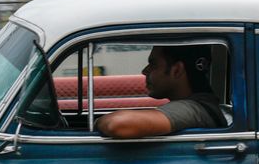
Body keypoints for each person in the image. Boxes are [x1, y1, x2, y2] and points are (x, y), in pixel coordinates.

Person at [96, 44, 227, 139]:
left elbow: (118, 124)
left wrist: (96, 122)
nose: (144, 71)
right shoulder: (201, 105)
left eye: (153, 64)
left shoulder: (193, 109)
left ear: (177, 70)